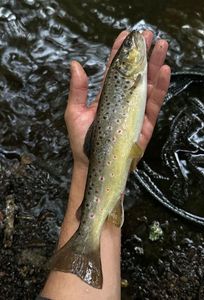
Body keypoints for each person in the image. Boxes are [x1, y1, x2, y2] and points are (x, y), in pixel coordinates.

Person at [38, 30, 171, 300]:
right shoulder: (134, 76)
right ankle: (86, 241)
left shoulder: (133, 76)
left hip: (110, 155)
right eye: (128, 51)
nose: (135, 45)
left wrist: (84, 166)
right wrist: (85, 163)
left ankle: (86, 240)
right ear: (126, 65)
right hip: (109, 154)